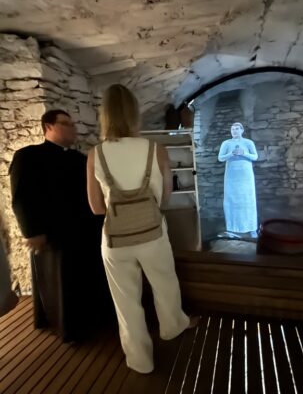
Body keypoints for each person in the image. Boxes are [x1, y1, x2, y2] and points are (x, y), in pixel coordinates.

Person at [86, 84, 197, 374]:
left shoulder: (95, 154)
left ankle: (140, 361)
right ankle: (172, 327)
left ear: (105, 115)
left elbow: (96, 208)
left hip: (115, 239)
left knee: (125, 302)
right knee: (165, 284)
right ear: (134, 112)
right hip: (152, 234)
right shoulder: (154, 149)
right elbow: (165, 198)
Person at [9, 109, 111, 341]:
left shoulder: (80, 159)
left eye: (72, 124)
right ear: (48, 126)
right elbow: (21, 197)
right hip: (52, 234)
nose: (73, 129)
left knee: (85, 279)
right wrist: (32, 232)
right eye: (66, 124)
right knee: (59, 284)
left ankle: (91, 321)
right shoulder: (28, 156)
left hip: (84, 230)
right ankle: (66, 327)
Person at [218, 122, 258, 237]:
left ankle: (252, 228)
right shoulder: (226, 143)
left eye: (237, 129)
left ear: (242, 130)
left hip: (246, 177)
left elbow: (255, 157)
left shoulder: (248, 142)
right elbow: (220, 158)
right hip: (232, 176)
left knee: (248, 201)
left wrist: (244, 153)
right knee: (231, 200)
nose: (234, 131)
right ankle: (232, 228)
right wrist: (231, 154)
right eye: (232, 129)